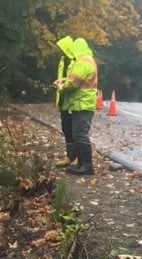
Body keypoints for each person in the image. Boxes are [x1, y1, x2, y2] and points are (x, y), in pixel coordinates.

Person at [53, 37, 97, 176]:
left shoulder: (83, 62)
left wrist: (61, 86)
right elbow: (74, 78)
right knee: (78, 134)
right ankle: (81, 164)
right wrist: (64, 80)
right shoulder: (85, 60)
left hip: (82, 103)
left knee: (80, 135)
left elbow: (73, 83)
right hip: (80, 103)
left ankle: (86, 166)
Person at [54, 36, 77, 168]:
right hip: (63, 99)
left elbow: (73, 80)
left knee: (75, 130)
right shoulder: (63, 61)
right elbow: (66, 77)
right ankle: (70, 156)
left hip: (72, 100)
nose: (60, 51)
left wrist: (63, 82)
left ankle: (77, 157)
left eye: (62, 49)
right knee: (66, 129)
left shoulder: (74, 62)